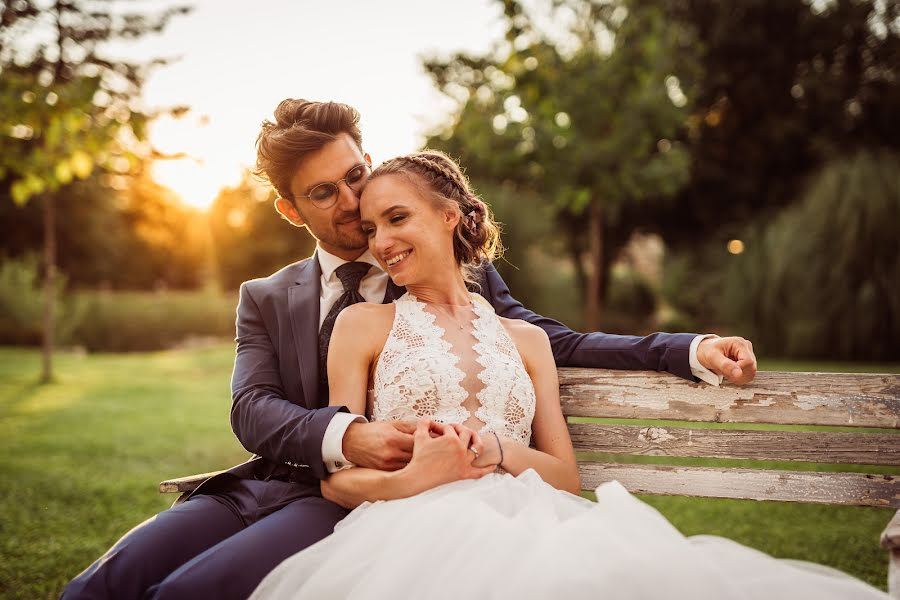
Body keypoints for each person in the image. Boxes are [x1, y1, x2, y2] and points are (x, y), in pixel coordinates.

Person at [62, 99, 756, 600]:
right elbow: (251, 408)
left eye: (356, 176)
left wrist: (685, 348)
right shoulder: (267, 296)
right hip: (262, 484)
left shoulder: (454, 274)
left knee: (187, 592)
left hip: (348, 506)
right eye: (324, 193)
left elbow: (559, 342)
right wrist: (350, 435)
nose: (351, 202)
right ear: (289, 209)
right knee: (102, 585)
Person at [248, 150, 887, 600]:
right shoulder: (364, 326)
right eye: (371, 226)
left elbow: (567, 475)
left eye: (397, 219)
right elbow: (338, 482)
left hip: (534, 518)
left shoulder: (524, 340)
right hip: (410, 533)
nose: (379, 242)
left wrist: (498, 451)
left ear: (450, 215)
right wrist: (418, 474)